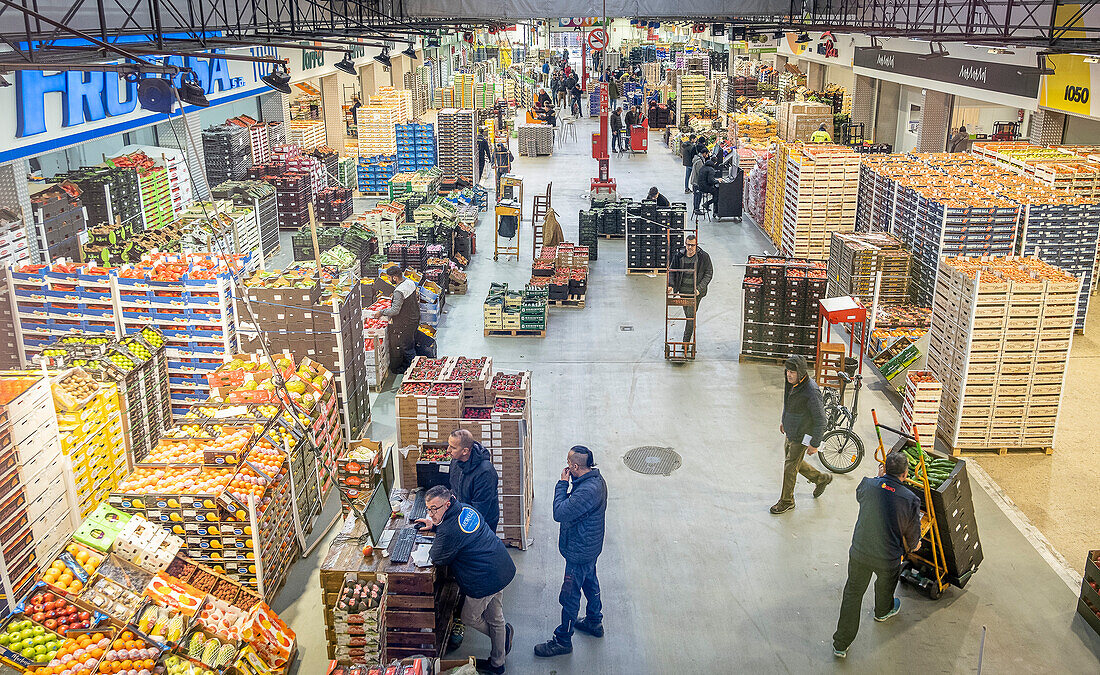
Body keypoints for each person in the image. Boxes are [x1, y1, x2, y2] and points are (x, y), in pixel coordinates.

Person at [832, 452, 922, 658]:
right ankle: (883, 611)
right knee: (885, 584)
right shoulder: (910, 499)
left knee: (853, 594)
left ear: (884, 469)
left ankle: (841, 644)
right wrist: (915, 545)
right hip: (888, 558)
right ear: (906, 474)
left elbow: (860, 495)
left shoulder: (868, 484)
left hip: (860, 552)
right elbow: (912, 539)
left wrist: (878, 478)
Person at [423, 486, 515, 674]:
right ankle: (498, 664)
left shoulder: (449, 530)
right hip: (500, 566)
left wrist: (438, 531)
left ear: (447, 504)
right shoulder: (465, 508)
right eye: (428, 509)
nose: (430, 513)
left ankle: (502, 638)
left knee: (469, 617)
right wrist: (436, 524)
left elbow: (437, 557)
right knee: (496, 618)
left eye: (434, 509)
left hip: (483, 579)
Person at [534, 446, 608, 658]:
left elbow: (560, 512)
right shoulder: (595, 480)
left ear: (575, 466)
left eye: (569, 463)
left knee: (569, 595)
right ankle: (595, 622)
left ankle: (563, 640)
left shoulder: (586, 490)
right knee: (590, 580)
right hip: (590, 546)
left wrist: (562, 484)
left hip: (579, 549)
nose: (566, 466)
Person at [771, 354, 831, 514]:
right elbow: (789, 403)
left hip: (803, 435)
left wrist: (815, 443)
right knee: (794, 462)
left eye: (793, 372)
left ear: (802, 372)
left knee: (790, 468)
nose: (789, 374)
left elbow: (821, 420)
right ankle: (821, 478)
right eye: (787, 371)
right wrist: (785, 420)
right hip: (791, 431)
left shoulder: (811, 391)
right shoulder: (791, 383)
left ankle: (787, 501)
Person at [368, 265, 420, 374]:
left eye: (389, 277)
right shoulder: (410, 282)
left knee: (407, 346)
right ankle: (408, 365)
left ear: (395, 278)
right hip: (415, 317)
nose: (388, 280)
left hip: (406, 322)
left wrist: (381, 312)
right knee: (410, 342)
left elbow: (395, 310)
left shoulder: (399, 291)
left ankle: (413, 371)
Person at [446, 429, 499, 532]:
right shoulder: (456, 461)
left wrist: (454, 527)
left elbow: (479, 510)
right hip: (462, 517)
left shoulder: (485, 473)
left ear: (465, 451)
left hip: (481, 526)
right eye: (449, 445)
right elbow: (454, 490)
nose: (448, 450)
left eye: (453, 447)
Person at [666, 234, 713, 344]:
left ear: (696, 245)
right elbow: (672, 270)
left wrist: (699, 289)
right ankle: (690, 332)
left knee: (690, 316)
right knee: (688, 315)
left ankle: (686, 342)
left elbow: (709, 273)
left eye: (692, 245)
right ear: (685, 244)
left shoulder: (703, 256)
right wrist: (671, 285)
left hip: (695, 293)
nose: (690, 247)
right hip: (683, 291)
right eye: (688, 245)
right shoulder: (679, 256)